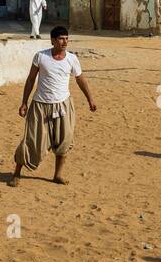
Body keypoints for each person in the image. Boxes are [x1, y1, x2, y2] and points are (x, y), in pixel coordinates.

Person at [9, 25, 97, 187]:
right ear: (53, 40)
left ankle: (57, 175)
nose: (65, 42)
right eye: (61, 38)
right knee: (31, 140)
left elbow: (80, 79)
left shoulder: (72, 59)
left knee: (64, 140)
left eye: (66, 38)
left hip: (63, 105)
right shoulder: (40, 57)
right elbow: (30, 80)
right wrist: (24, 102)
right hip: (40, 105)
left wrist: (90, 99)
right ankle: (16, 174)